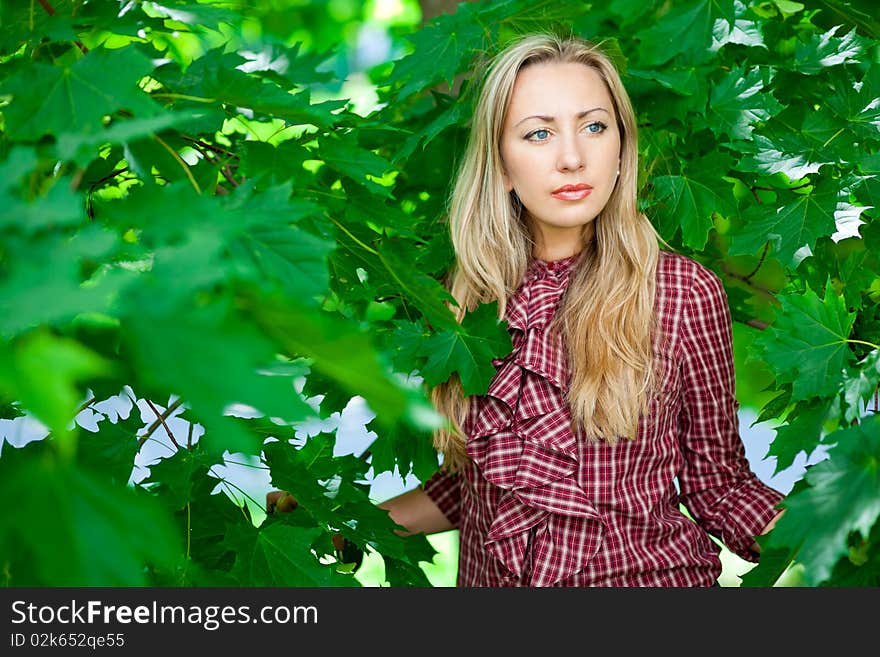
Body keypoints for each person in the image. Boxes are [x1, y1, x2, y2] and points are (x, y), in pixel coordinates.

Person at [271, 32, 785, 587]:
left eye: (594, 127)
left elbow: (721, 485)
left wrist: (838, 531)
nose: (572, 157)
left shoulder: (681, 293)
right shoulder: (467, 298)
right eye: (539, 134)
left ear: (621, 149)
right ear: (503, 166)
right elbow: (481, 487)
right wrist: (344, 525)